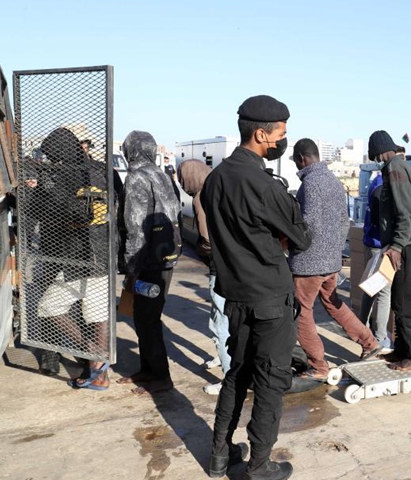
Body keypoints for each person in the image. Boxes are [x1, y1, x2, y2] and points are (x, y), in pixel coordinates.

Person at [202, 95, 310, 480]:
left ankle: (218, 456)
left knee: (237, 373)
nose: (284, 139)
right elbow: (301, 238)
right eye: (281, 133)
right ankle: (260, 466)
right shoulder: (264, 185)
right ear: (263, 135)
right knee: (270, 380)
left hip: (235, 297)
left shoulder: (215, 179)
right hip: (268, 298)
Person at [289, 139, 382, 390]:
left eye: (296, 161)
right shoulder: (333, 180)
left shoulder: (310, 183)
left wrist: (294, 248)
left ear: (302, 158)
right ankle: (369, 343)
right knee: (335, 304)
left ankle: (318, 367)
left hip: (309, 263)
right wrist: (332, 251)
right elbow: (344, 221)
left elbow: (306, 225)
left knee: (302, 312)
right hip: (330, 260)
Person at [30, 127, 113, 389]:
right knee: (97, 315)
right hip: (103, 253)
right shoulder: (100, 169)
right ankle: (100, 373)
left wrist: (41, 188)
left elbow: (42, 211)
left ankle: (93, 355)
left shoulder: (61, 176)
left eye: (54, 156)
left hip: (80, 256)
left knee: (48, 307)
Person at [117, 130, 182, 395]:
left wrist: (132, 269)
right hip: (166, 257)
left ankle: (160, 377)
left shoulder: (136, 177)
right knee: (147, 318)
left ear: (130, 150)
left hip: (146, 260)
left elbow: (134, 226)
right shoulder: (161, 174)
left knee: (147, 319)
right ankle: (148, 370)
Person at [368, 130, 411, 372]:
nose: (376, 160)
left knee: (405, 304)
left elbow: (406, 213)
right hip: (410, 242)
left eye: (375, 156)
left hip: (409, 245)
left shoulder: (395, 170)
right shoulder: (401, 167)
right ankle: (402, 350)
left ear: (380, 151)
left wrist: (396, 246)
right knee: (398, 300)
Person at [176, 159, 229, 395]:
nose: (182, 182)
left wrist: (201, 248)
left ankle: (229, 378)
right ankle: (222, 358)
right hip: (236, 267)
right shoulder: (222, 186)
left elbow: (207, 239)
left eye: (182, 178)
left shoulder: (201, 197)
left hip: (220, 268)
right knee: (223, 319)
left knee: (220, 324)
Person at [360, 171, 393, 351]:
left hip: (371, 241)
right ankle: (380, 338)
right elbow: (380, 219)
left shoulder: (376, 181)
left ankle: (360, 326)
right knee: (383, 291)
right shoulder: (383, 188)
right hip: (380, 245)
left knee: (370, 289)